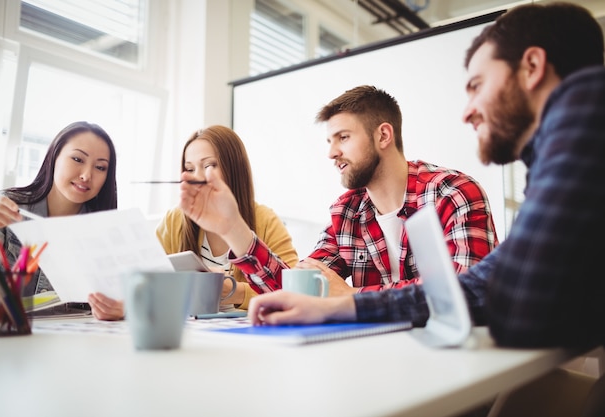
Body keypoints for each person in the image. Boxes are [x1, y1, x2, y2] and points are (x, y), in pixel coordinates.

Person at [247, 3, 605, 416]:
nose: (467, 110)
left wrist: (352, 296)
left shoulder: (585, 113)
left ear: (532, 66)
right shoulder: (558, 148)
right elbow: (477, 291)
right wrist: (340, 305)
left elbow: (517, 303)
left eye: (476, 84)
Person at [182, 86, 498, 296]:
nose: (332, 153)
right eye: (329, 141)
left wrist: (352, 297)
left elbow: (464, 290)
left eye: (343, 138)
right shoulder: (347, 213)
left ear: (383, 135)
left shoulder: (453, 194)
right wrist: (233, 227)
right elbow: (296, 290)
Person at [0, 121, 121, 321]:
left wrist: (122, 308)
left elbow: (124, 298)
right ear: (54, 156)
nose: (86, 175)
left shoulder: (107, 230)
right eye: (78, 159)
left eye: (100, 167)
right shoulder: (8, 209)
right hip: (9, 336)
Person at [156, 125, 299, 310]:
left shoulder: (266, 220)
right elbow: (149, 278)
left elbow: (294, 291)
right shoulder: (174, 220)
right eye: (189, 169)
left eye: (209, 166)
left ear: (233, 168)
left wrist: (233, 291)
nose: (197, 177)